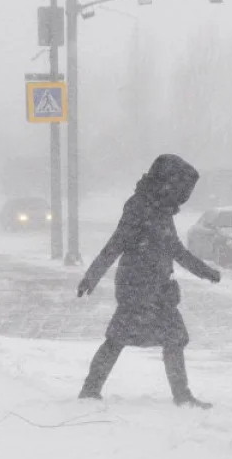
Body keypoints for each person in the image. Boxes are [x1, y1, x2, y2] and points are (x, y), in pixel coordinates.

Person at [76, 154, 223, 408]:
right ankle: (90, 390)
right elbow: (117, 243)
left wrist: (204, 271)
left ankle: (182, 396)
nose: (184, 195)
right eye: (182, 188)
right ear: (168, 182)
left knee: (173, 338)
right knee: (118, 339)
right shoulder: (139, 206)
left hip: (159, 287)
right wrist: (92, 276)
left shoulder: (161, 209)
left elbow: (174, 248)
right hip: (137, 287)